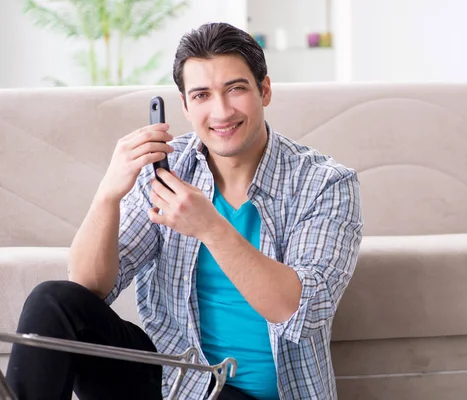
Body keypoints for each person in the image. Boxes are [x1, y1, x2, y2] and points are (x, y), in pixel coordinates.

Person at [6, 22, 363, 400]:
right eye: (202, 95)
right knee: (54, 302)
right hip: (174, 384)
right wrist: (108, 194)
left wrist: (211, 227)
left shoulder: (325, 183)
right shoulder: (166, 170)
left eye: (236, 89)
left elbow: (299, 312)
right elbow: (90, 287)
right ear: (186, 106)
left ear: (265, 90)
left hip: (251, 394)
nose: (221, 111)